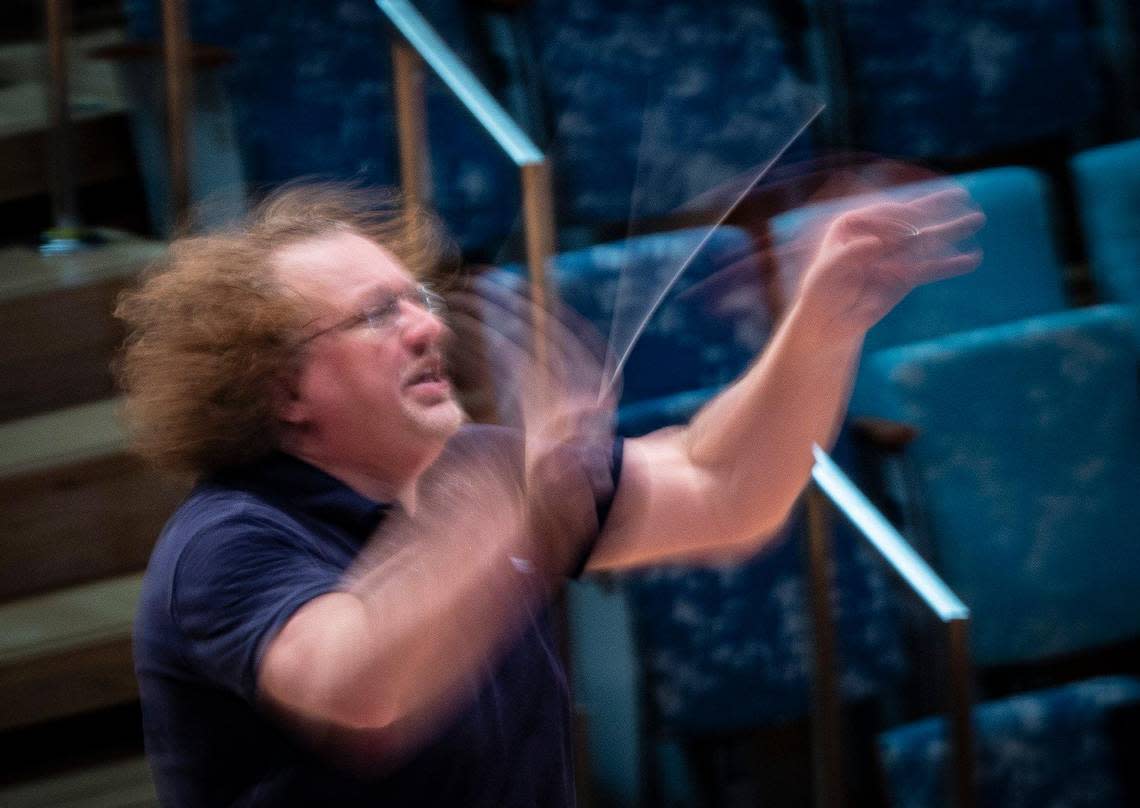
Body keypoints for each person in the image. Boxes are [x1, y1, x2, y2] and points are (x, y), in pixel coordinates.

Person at [118, 181, 982, 806]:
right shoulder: (228, 542)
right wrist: (515, 507)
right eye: (375, 316)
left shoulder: (475, 472)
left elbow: (727, 492)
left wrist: (824, 319)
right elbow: (359, 690)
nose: (427, 326)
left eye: (414, 299)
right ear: (280, 392)